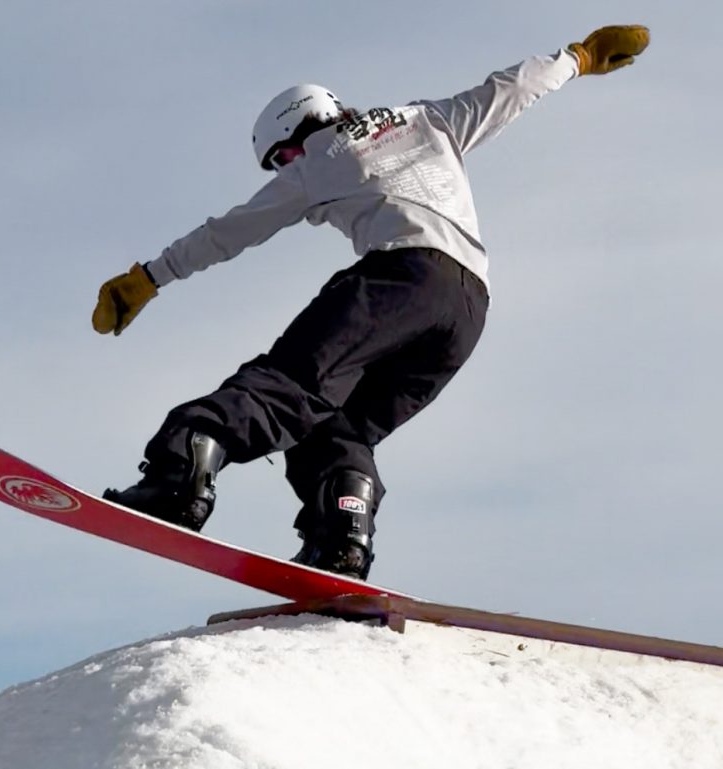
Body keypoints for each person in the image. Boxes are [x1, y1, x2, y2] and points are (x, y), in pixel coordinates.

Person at [91, 25, 650, 580]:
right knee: (341, 429)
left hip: (400, 278)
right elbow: (510, 88)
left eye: (281, 157)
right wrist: (579, 57)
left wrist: (149, 277)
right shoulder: (429, 119)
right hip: (466, 310)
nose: (286, 167)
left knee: (290, 384)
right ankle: (343, 539)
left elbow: (230, 231)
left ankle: (183, 465)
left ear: (295, 132)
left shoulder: (315, 160)